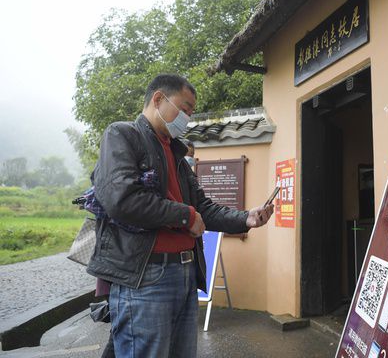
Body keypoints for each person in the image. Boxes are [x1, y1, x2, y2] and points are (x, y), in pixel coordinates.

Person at [87, 74, 273, 358]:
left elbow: (203, 208)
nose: (187, 118)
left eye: (191, 112)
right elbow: (122, 199)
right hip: (146, 276)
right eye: (184, 109)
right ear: (158, 99)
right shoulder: (122, 135)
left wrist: (246, 218)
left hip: (185, 273)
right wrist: (185, 216)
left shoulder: (177, 155)